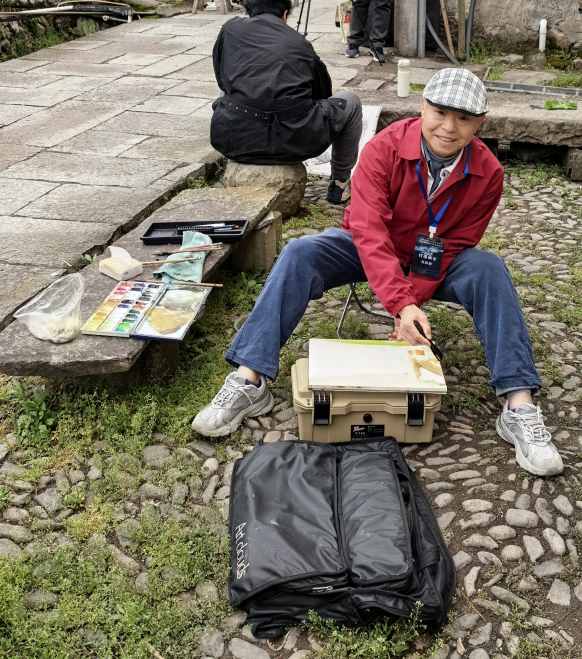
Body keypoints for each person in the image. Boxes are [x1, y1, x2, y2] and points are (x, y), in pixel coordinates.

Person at [193, 67, 562, 479]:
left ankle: (519, 405)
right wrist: (401, 304)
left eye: (464, 118)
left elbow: (455, 243)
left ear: (481, 122)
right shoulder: (383, 148)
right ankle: (249, 379)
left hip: (432, 256)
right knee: (300, 252)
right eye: (440, 112)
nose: (449, 126)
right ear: (422, 106)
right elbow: (368, 228)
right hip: (368, 244)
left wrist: (409, 302)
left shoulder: (488, 172)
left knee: (489, 268)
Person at [210, 0, 363, 205]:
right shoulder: (300, 43)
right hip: (297, 142)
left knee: (229, 88)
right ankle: (339, 184)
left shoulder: (230, 30)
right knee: (351, 101)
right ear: (284, 14)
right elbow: (322, 93)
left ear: (249, 12)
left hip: (233, 140)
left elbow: (221, 78)